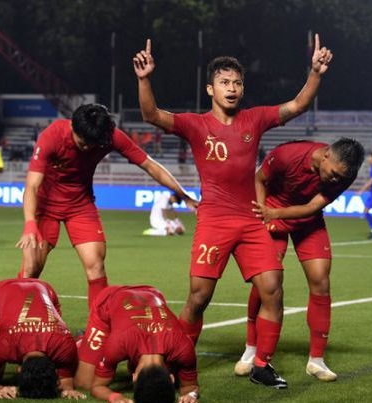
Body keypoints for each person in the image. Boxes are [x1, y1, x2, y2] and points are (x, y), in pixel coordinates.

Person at [133, 34, 333, 388]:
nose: (232, 88)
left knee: (273, 288)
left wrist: (315, 72)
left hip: (251, 219)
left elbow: (298, 105)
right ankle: (177, 363)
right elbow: (150, 114)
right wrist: (145, 79)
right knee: (199, 297)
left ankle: (261, 365)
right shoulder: (195, 125)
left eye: (237, 83)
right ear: (211, 89)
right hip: (214, 220)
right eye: (224, 82)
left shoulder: (254, 119)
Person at [16, 103, 196, 309]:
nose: (87, 148)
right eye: (82, 143)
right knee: (31, 269)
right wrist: (30, 223)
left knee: (96, 266)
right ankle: (17, 323)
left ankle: (97, 329)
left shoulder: (109, 136)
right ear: (72, 127)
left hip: (80, 205)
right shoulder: (53, 135)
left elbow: (149, 165)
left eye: (92, 144)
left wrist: (183, 194)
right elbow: (31, 186)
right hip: (45, 205)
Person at [233, 138, 364, 382]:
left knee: (321, 282)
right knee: (266, 283)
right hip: (271, 209)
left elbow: (313, 207)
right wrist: (262, 214)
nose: (336, 180)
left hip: (306, 220)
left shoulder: (345, 174)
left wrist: (277, 214)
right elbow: (259, 179)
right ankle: (251, 348)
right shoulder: (287, 155)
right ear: (325, 156)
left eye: (341, 177)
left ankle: (316, 360)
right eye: (334, 173)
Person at [75, 285, 199, 403]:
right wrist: (115, 397)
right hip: (108, 300)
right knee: (84, 383)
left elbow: (191, 387)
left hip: (152, 293)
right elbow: (96, 386)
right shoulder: (119, 343)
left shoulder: (183, 346)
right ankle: (81, 340)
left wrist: (190, 395)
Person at [0, 278, 84, 400]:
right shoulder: (5, 344)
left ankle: (82, 338)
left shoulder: (65, 346)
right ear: (19, 369)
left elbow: (65, 381)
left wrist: (67, 390)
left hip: (45, 290)